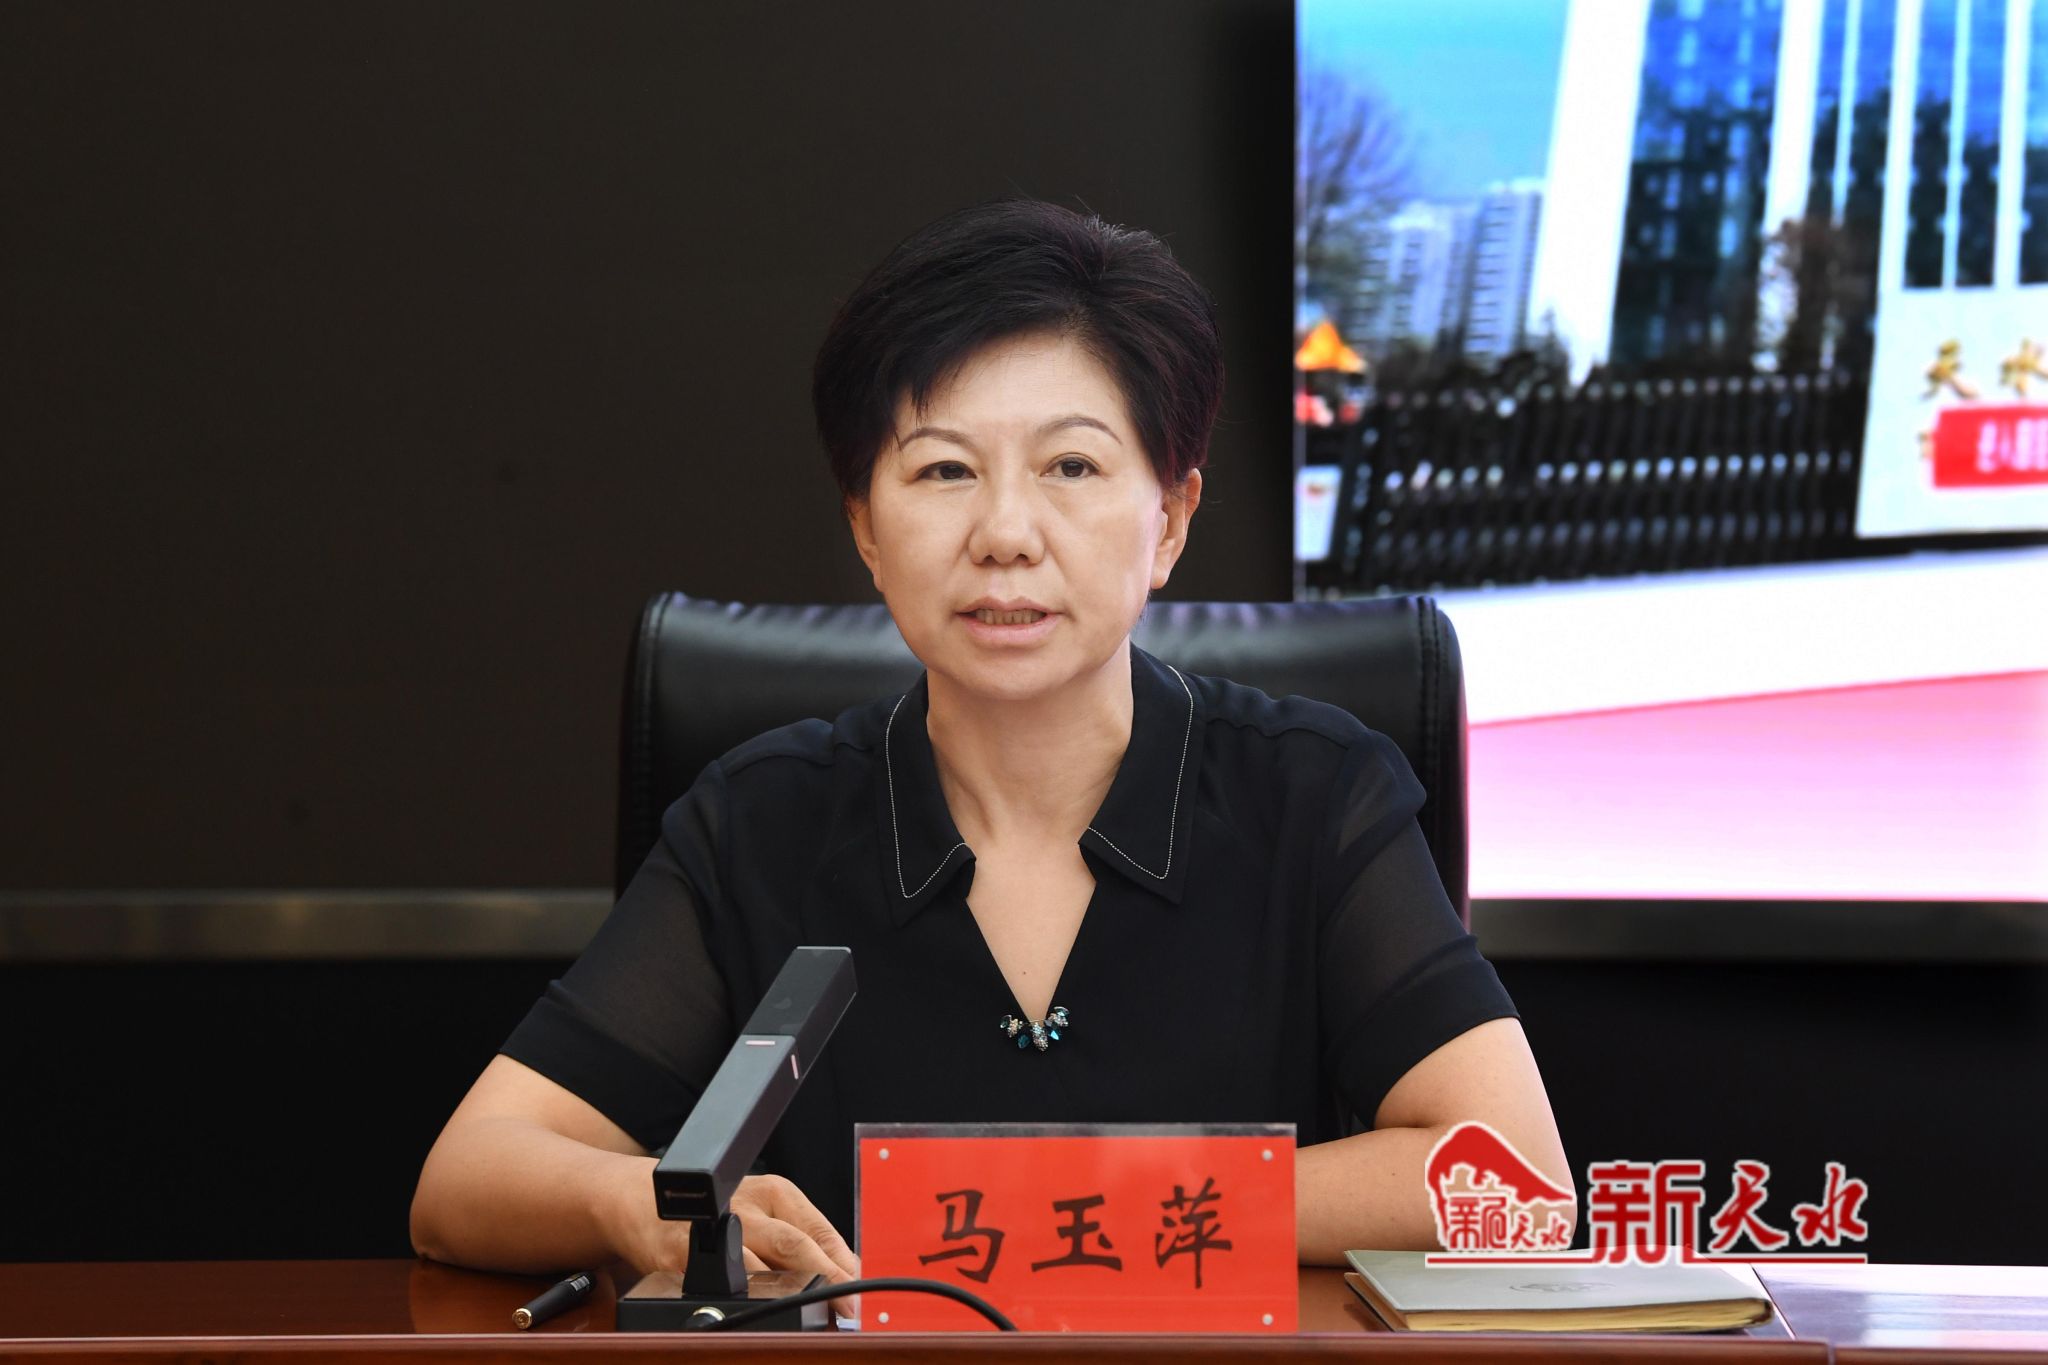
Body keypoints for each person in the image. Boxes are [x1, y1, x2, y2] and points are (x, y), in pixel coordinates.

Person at [410, 199, 1572, 1306]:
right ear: (865, 528)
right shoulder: (760, 823)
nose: (1005, 534)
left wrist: (1064, 1209)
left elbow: (1515, 1183)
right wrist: (639, 1205)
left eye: (1070, 467)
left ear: (1168, 521)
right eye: (942, 470)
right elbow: (464, 1183)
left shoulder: (1313, 794)